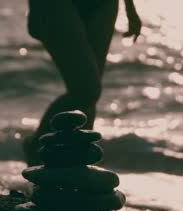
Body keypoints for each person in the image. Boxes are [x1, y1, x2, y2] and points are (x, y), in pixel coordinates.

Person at [24, 0, 142, 165]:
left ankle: (78, 169)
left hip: (103, 5)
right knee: (86, 90)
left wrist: (130, 8)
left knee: (90, 96)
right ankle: (37, 146)